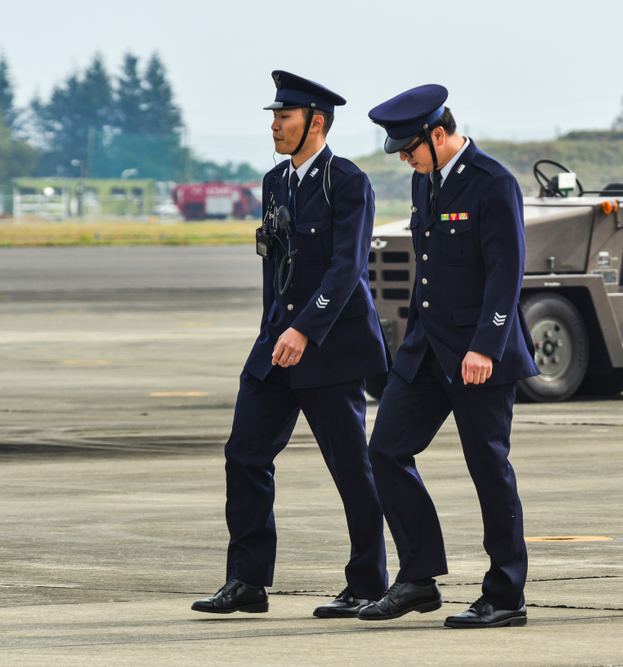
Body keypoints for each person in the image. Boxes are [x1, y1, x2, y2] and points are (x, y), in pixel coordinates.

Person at [192, 71, 389, 618]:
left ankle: (368, 583)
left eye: (285, 117)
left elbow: (347, 268)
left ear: (316, 123)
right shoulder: (274, 181)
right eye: (274, 117)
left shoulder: (348, 182)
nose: (275, 125)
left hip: (330, 347)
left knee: (352, 469)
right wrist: (273, 330)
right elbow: (275, 264)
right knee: (244, 455)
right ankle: (247, 581)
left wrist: (305, 328)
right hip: (277, 345)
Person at [359, 85, 539, 628]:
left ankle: (505, 595)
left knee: (489, 468)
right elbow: (431, 270)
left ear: (439, 135)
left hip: (479, 352)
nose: (404, 158)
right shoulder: (425, 181)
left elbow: (507, 273)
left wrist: (487, 344)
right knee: (386, 450)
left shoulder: (492, 183)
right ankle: (418, 577)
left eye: (409, 147)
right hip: (427, 350)